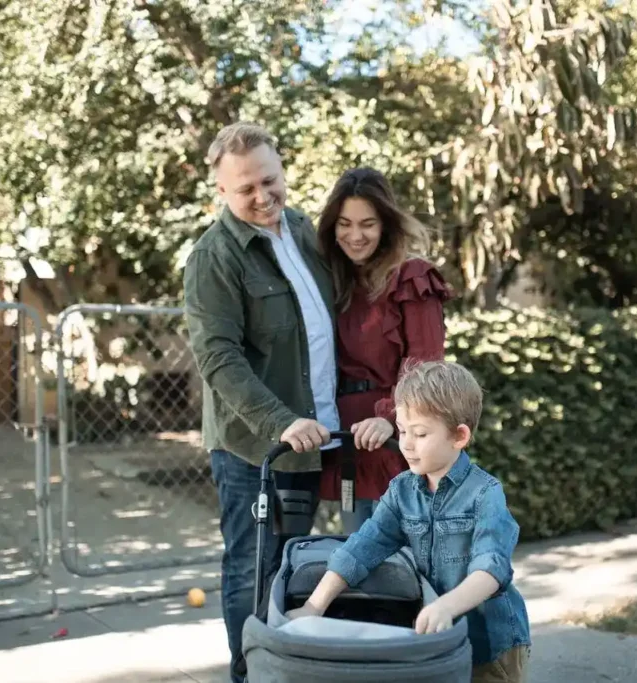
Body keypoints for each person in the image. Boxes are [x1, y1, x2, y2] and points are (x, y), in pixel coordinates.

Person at [183, 122, 366, 683]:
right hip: (256, 450)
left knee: (294, 570)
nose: (262, 197)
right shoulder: (214, 258)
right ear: (221, 191)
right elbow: (219, 360)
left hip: (316, 443)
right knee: (251, 572)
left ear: (282, 170)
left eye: (269, 180)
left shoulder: (305, 232)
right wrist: (282, 422)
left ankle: (284, 672)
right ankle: (249, 677)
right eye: (246, 190)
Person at [286, 360, 532, 683]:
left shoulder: (485, 494)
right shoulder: (402, 491)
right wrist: (314, 606)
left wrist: (446, 606)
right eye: (402, 430)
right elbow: (362, 547)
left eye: (420, 433)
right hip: (436, 641)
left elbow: (491, 567)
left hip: (492, 648)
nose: (406, 443)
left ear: (459, 436)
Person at [315, 167, 452, 532]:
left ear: (386, 225)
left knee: (404, 569)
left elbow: (425, 366)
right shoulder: (336, 281)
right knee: (355, 566)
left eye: (368, 224)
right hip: (346, 442)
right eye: (344, 224)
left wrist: (389, 417)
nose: (355, 236)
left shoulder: (411, 276)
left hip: (396, 439)